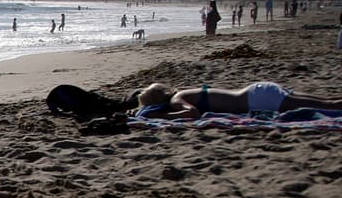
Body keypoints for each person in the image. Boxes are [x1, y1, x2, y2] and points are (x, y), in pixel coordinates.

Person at [136, 81, 342, 119]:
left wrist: (162, 116)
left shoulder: (177, 100)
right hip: (258, 90)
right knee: (327, 101)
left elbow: (193, 113)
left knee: (328, 105)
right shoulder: (185, 91)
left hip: (257, 100)